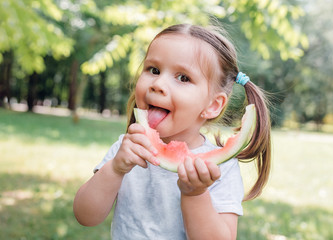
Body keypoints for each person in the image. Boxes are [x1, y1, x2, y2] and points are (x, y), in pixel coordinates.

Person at [73, 23, 271, 240]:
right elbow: (86, 216)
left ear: (213, 105)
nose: (158, 83)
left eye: (183, 78)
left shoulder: (221, 168)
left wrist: (195, 193)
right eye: (153, 70)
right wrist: (115, 169)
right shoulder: (127, 148)